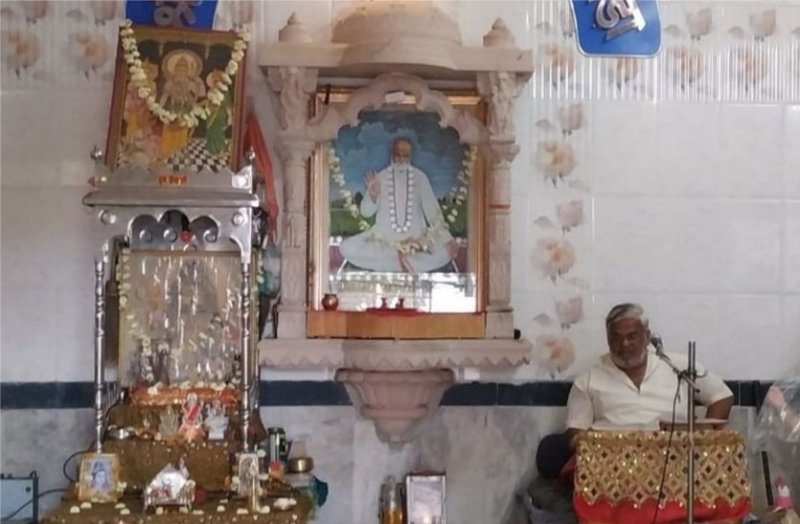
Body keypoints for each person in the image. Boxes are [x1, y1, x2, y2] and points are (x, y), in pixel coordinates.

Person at [566, 302, 733, 445]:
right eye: (616, 337)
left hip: (673, 456)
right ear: (608, 339)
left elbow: (722, 396)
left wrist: (704, 439)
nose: (624, 344)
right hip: (612, 461)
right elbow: (575, 434)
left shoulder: (677, 366)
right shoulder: (588, 379)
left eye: (632, 336)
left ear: (646, 336)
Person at [338, 138, 460, 274]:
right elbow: (366, 212)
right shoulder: (381, 177)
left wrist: (446, 238)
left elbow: (432, 210)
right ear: (392, 154)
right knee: (346, 247)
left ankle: (397, 261)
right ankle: (404, 261)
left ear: (410, 156)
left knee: (444, 252)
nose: (401, 159)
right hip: (384, 242)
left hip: (417, 243)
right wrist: (373, 196)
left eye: (405, 155)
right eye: (398, 155)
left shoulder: (420, 177)